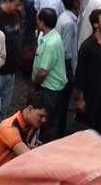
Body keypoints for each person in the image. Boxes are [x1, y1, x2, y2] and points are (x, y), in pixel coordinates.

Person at [74, 9, 101, 138]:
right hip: (93, 94)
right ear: (95, 25)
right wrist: (81, 99)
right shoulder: (87, 46)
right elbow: (80, 74)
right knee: (93, 127)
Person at [0, 91, 50, 174]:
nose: (44, 120)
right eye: (41, 116)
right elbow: (29, 156)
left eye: (46, 117)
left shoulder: (33, 124)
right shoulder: (8, 127)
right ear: (30, 109)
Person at [30, 8, 67, 142]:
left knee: (46, 123)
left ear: (42, 22)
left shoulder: (51, 43)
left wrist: (34, 84)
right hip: (53, 89)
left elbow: (43, 72)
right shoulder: (51, 36)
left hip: (49, 90)